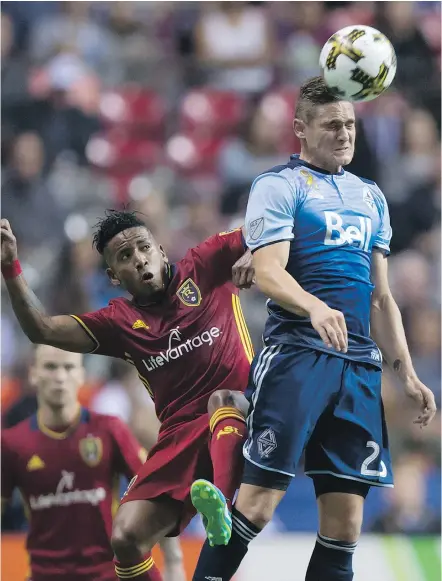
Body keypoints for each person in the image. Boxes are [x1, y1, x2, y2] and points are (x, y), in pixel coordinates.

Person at [191, 76, 437, 581]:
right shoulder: (277, 186)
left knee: (346, 524)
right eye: (332, 125)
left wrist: (407, 374)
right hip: (297, 356)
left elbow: (382, 297)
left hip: (360, 367)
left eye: (350, 124)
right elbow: (268, 270)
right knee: (257, 504)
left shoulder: (371, 197)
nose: (344, 133)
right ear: (301, 130)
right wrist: (316, 308)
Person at [1, 209, 254, 581]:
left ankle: (225, 503)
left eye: (143, 248)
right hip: (180, 436)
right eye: (125, 257)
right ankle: (216, 502)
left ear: (161, 251)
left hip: (242, 409)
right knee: (125, 538)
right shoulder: (119, 323)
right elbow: (42, 330)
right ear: (113, 277)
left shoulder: (206, 263)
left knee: (224, 400)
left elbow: (273, 223)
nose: (138, 259)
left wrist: (254, 251)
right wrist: (10, 267)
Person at [1, 344, 185, 581]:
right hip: (44, 575)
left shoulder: (108, 430)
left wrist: (174, 562)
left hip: (107, 574)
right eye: (50, 367)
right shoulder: (12, 443)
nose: (60, 376)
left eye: (68, 367)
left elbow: (154, 492)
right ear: (33, 373)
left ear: (81, 375)